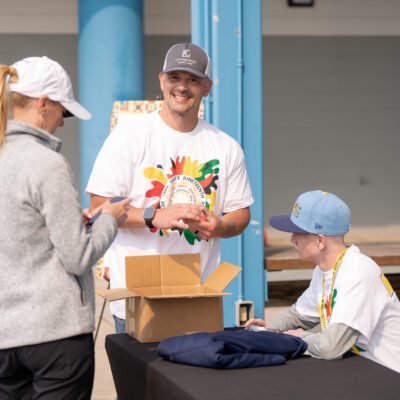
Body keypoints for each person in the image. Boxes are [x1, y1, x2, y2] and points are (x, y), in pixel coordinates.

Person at [86, 43, 254, 333]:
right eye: (175, 77)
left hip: (197, 295)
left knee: (198, 379)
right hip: (137, 297)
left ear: (207, 87)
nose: (182, 87)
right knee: (140, 380)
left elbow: (241, 214)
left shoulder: (226, 147)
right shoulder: (128, 137)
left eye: (192, 80)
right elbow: (99, 208)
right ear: (161, 80)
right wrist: (155, 216)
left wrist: (220, 225)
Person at [0, 56, 130, 399]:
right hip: (54, 336)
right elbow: (78, 256)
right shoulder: (46, 163)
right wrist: (110, 219)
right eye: (64, 111)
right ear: (44, 104)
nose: (63, 122)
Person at [245, 190, 400, 373]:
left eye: (298, 232)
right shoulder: (325, 268)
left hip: (389, 376)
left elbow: (330, 346)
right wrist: (271, 329)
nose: (292, 239)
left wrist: (291, 338)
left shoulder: (358, 272)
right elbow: (298, 314)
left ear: (320, 241)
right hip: (364, 370)